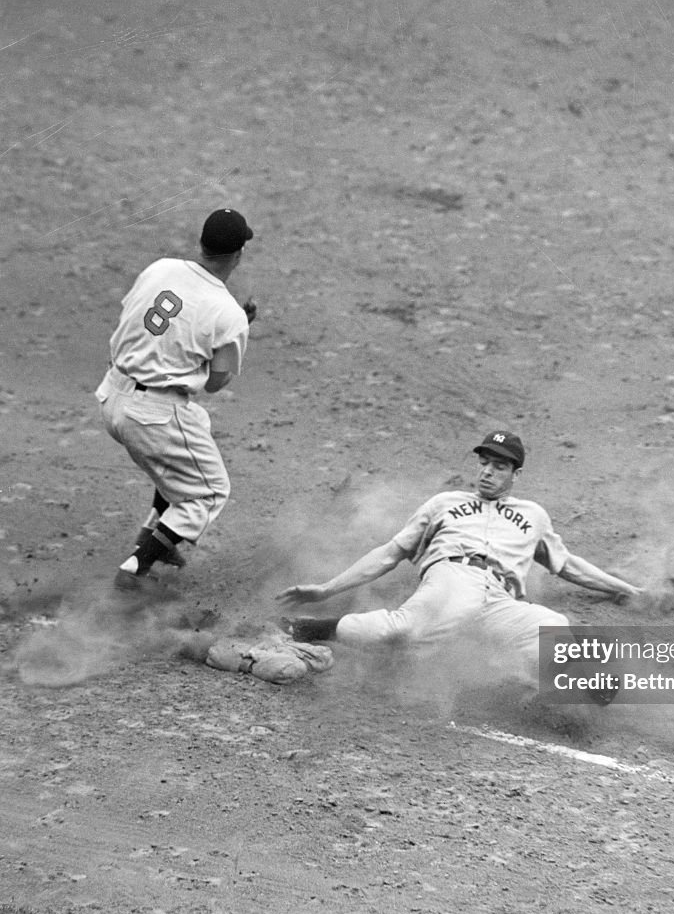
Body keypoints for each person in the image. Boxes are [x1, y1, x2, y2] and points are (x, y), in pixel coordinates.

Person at [277, 430, 641, 687]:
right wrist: (327, 588)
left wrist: (627, 590)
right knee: (401, 631)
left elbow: (569, 565)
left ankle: (578, 689)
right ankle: (308, 627)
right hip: (453, 579)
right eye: (485, 462)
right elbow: (390, 554)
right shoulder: (444, 504)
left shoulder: (534, 515)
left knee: (552, 627)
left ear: (516, 474)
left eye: (500, 467)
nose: (488, 471)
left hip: (501, 600)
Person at [95, 208, 256, 590]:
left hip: (111, 394)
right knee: (210, 491)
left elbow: (135, 319)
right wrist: (237, 330)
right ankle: (137, 566)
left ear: (201, 244)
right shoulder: (228, 314)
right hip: (152, 415)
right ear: (238, 254)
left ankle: (156, 536)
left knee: (194, 426)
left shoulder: (159, 269)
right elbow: (215, 384)